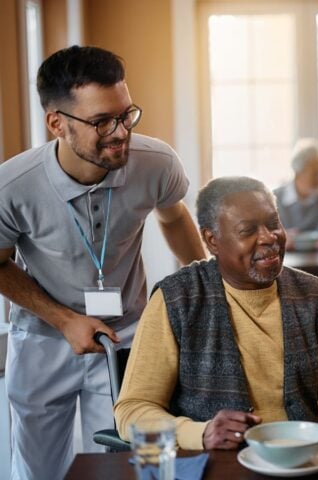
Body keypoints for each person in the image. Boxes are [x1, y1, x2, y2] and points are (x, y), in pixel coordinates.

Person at [0, 46, 206, 480]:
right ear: (57, 123)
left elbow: (174, 216)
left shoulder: (157, 163)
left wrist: (203, 286)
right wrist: (62, 320)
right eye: (101, 122)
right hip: (42, 339)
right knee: (38, 472)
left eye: (126, 115)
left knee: (119, 467)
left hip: (127, 334)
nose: (120, 132)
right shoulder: (13, 186)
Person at [114, 176, 318, 450]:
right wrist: (201, 433)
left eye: (274, 224)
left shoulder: (316, 295)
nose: (269, 238)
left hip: (302, 462)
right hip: (217, 467)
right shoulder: (176, 299)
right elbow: (132, 410)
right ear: (212, 241)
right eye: (247, 231)